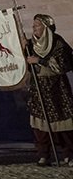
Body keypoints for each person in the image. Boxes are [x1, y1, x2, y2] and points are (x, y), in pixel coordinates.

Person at [24, 13, 73, 166]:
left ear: (46, 27)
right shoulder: (31, 44)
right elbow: (26, 66)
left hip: (57, 87)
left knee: (64, 123)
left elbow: (63, 64)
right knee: (40, 125)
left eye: (37, 25)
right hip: (39, 88)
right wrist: (24, 49)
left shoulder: (57, 42)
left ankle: (69, 154)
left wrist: (39, 60)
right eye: (33, 26)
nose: (34, 28)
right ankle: (44, 155)